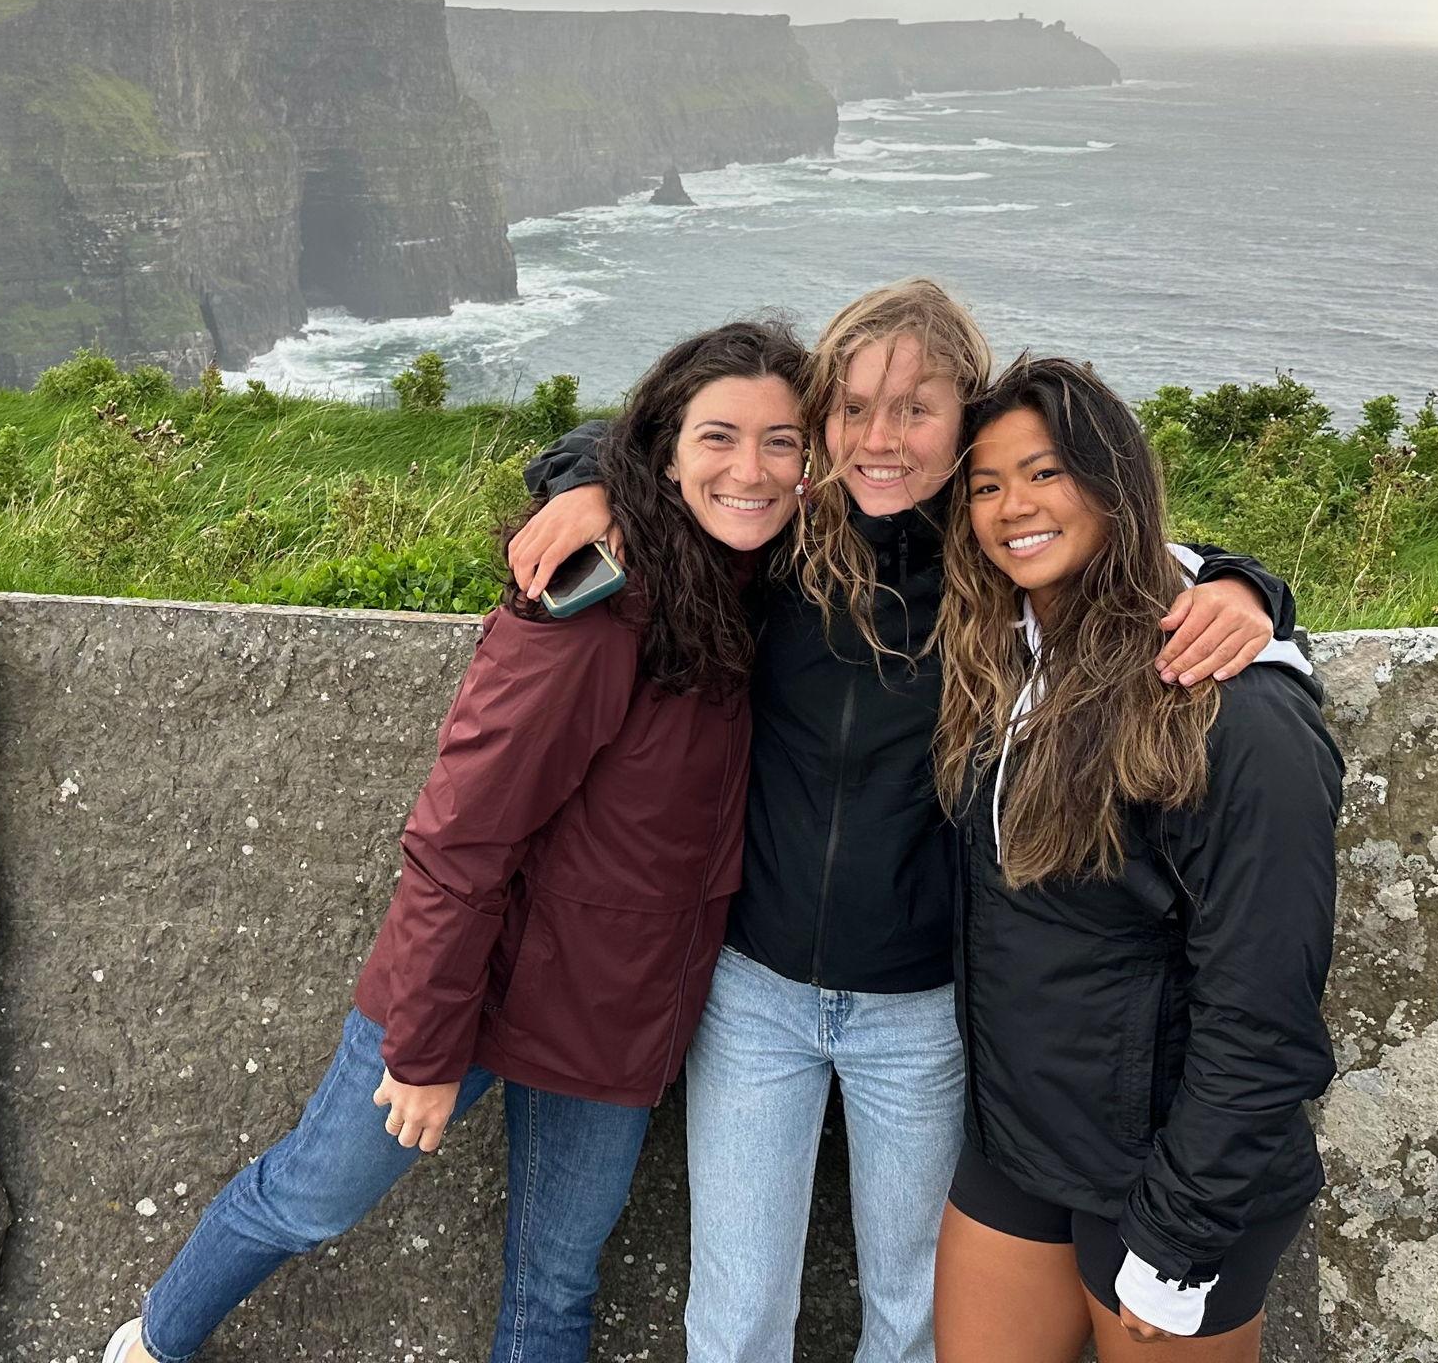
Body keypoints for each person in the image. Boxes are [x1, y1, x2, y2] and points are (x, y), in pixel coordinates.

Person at [506, 280, 1298, 1363]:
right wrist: (585, 479)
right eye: (852, 409)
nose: (880, 440)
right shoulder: (776, 543)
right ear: (821, 418)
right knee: (733, 1312)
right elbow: (661, 436)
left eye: (916, 409)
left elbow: (1133, 553)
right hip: (754, 991)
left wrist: (1249, 589)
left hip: (922, 1008)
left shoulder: (998, 566)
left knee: (913, 1315)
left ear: (966, 418)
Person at [104, 319, 812, 1363]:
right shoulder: (597, 591)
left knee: (555, 1283)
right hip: (474, 986)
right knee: (311, 1197)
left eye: (781, 442)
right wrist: (428, 1043)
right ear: (664, 450)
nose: (750, 469)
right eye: (718, 437)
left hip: (610, 1009)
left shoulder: (775, 582)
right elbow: (462, 834)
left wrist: (585, 472)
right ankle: (152, 1342)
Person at [932, 356, 1342, 1362]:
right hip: (1023, 1140)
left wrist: (1178, 1234)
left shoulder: (1238, 711)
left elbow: (1263, 1012)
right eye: (985, 485)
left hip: (1173, 1175)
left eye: (1046, 471)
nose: (1012, 507)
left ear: (1114, 481)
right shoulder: (1008, 659)